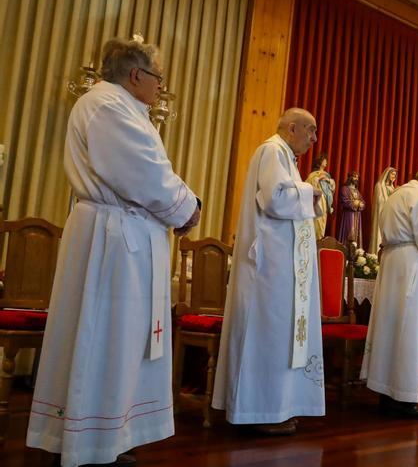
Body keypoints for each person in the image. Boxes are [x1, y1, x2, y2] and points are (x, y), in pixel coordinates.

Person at [27, 37, 201, 467]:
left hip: (125, 233)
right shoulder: (107, 105)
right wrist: (189, 206)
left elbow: (151, 171)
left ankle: (105, 434)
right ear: (136, 74)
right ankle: (90, 441)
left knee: (118, 339)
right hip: (114, 238)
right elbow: (144, 174)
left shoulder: (121, 107)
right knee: (105, 335)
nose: (161, 87)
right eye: (159, 77)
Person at [212, 108, 325, 435]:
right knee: (266, 336)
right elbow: (275, 200)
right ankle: (258, 412)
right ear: (292, 128)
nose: (314, 139)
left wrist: (306, 192)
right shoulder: (272, 150)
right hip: (268, 267)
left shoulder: (284, 156)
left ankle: (274, 407)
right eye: (311, 130)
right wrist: (310, 192)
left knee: (277, 337)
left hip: (281, 266)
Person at [360, 169, 418, 419]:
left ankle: (385, 394)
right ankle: (404, 397)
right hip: (411, 264)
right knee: (409, 329)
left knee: (388, 328)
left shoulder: (395, 196)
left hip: (390, 262)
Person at [305, 151, 335, 238]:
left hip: (325, 200)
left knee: (322, 221)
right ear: (320, 162)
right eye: (325, 160)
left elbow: (332, 187)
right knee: (317, 220)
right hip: (317, 199)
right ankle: (316, 239)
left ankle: (320, 238)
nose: (326, 162)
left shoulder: (327, 175)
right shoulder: (313, 175)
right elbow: (309, 184)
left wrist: (328, 180)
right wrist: (318, 179)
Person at [368, 166, 397, 254]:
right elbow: (379, 201)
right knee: (379, 235)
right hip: (381, 214)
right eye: (392, 174)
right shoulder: (379, 186)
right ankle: (376, 254)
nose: (393, 176)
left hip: (390, 215)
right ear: (387, 174)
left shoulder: (392, 188)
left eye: (395, 175)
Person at [336, 171, 366, 247]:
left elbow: (362, 202)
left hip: (357, 215)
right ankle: (346, 251)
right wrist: (355, 203)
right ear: (350, 178)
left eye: (357, 177)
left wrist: (360, 204)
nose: (356, 179)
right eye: (354, 177)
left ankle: (356, 252)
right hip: (348, 215)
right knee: (349, 232)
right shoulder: (344, 189)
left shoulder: (357, 191)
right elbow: (344, 201)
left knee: (356, 234)